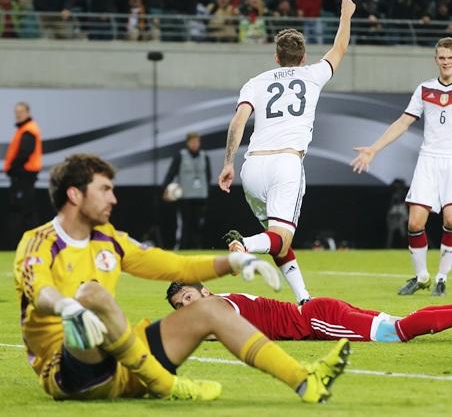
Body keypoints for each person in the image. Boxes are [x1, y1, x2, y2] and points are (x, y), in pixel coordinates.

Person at [13, 154, 349, 403]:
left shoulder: (110, 239)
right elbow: (40, 290)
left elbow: (176, 267)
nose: (113, 198)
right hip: (70, 371)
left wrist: (231, 262)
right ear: (74, 195)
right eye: (104, 189)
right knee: (90, 294)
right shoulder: (39, 241)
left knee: (212, 308)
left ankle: (304, 379)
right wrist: (66, 307)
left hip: (123, 363)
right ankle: (166, 385)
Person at [218, 0, 356, 305]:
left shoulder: (256, 82)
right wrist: (345, 16)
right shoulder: (313, 75)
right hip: (286, 164)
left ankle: (304, 298)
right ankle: (243, 247)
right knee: (279, 237)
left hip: (252, 166)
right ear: (303, 57)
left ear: (276, 56)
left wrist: (228, 163)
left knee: (277, 241)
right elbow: (340, 47)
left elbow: (238, 121)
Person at [351, 37, 452, 297]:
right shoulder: (425, 89)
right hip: (428, 159)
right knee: (415, 223)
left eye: (450, 58)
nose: (446, 62)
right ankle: (422, 276)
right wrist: (373, 148)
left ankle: (442, 277)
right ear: (436, 60)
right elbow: (402, 123)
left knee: (451, 218)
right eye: (442, 58)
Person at [166, 283, 452, 345]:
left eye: (188, 297)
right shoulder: (217, 303)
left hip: (316, 320)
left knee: (399, 332)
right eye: (180, 305)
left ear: (205, 292)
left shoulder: (216, 307)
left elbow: (211, 330)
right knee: (398, 324)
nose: (187, 307)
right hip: (320, 310)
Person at [162, 132, 212, 250]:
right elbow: (171, 173)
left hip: (200, 196)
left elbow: (208, 176)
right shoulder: (181, 155)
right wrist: (165, 189)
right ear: (188, 143)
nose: (195, 144)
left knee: (198, 224)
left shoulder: (204, 156)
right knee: (184, 224)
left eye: (197, 141)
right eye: (192, 142)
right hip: (185, 196)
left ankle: (197, 248)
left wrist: (207, 192)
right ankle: (181, 247)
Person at [4, 102, 42, 247]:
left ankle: (23, 244)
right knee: (26, 211)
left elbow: (25, 153)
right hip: (23, 176)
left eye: (21, 111)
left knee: (22, 212)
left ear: (28, 112)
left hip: (24, 176)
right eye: (16, 112)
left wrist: (12, 168)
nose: (18, 114)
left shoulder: (29, 130)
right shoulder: (24, 129)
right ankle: (29, 244)